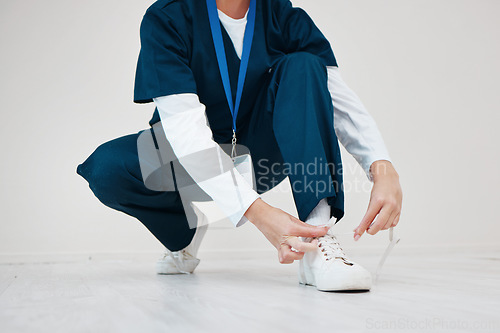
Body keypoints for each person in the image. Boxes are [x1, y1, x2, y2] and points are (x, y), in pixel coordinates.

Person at [76, 0, 402, 292]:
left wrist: (382, 168)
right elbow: (184, 132)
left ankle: (315, 239)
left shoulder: (283, 15)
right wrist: (259, 213)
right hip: (187, 163)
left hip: (258, 157)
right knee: (108, 168)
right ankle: (187, 229)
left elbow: (339, 101)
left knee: (304, 65)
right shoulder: (167, 17)